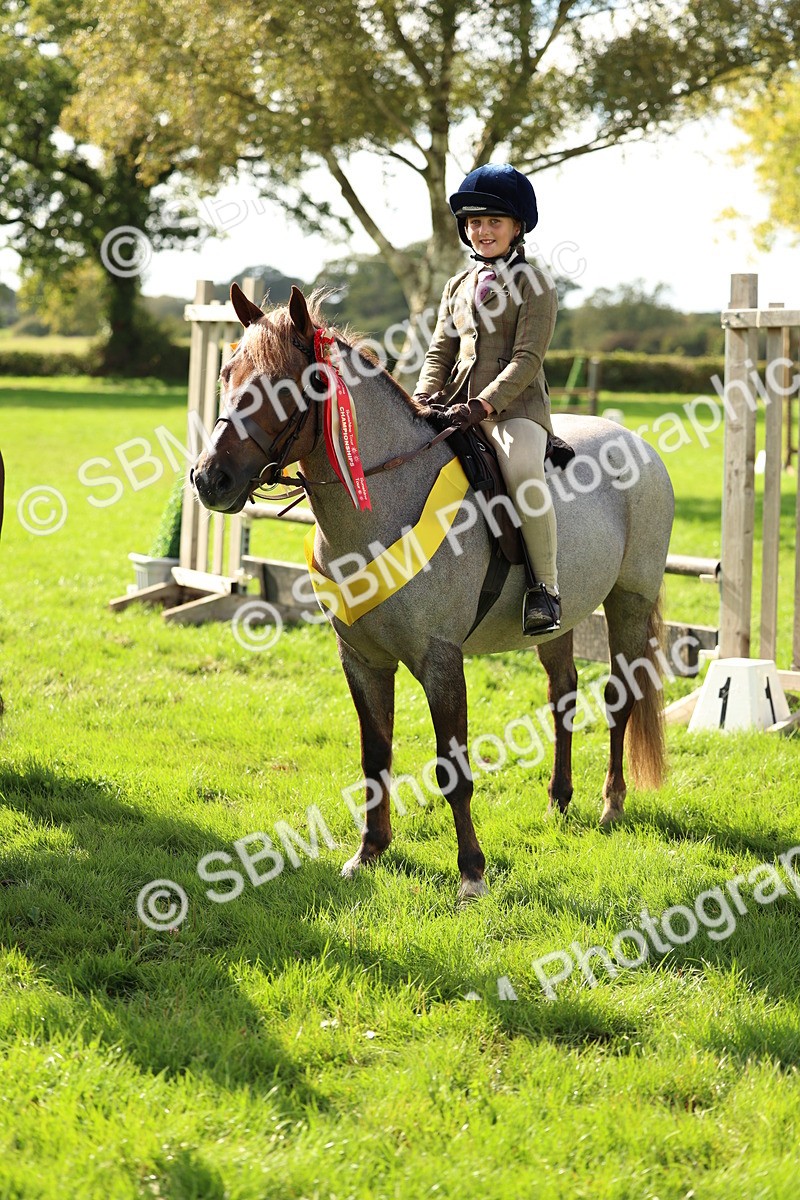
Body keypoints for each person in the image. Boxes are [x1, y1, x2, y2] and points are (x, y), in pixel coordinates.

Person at [413, 162, 560, 635]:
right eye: (474, 222)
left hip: (514, 412)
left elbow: (527, 359)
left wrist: (485, 405)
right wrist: (421, 398)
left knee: (521, 471)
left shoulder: (535, 285)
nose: (482, 231)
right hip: (457, 406)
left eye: (493, 221)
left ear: (517, 227)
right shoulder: (457, 286)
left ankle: (546, 589)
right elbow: (440, 350)